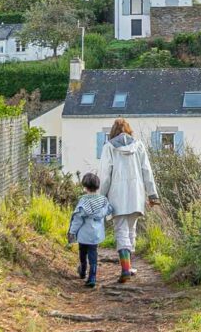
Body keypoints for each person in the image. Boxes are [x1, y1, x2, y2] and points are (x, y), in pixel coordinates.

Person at [97, 117, 159, 283]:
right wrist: (153, 194)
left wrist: (101, 197)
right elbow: (147, 170)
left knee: (121, 231)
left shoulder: (109, 147)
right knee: (132, 230)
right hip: (136, 194)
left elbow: (105, 175)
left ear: (113, 132)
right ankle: (128, 267)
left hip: (117, 194)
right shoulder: (138, 145)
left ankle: (125, 268)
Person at [67, 171, 109, 286]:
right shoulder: (103, 200)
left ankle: (83, 271)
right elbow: (108, 209)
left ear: (85, 186)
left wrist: (72, 232)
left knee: (82, 252)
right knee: (93, 253)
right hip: (96, 235)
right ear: (97, 186)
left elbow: (78, 219)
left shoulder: (83, 201)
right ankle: (92, 277)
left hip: (83, 234)